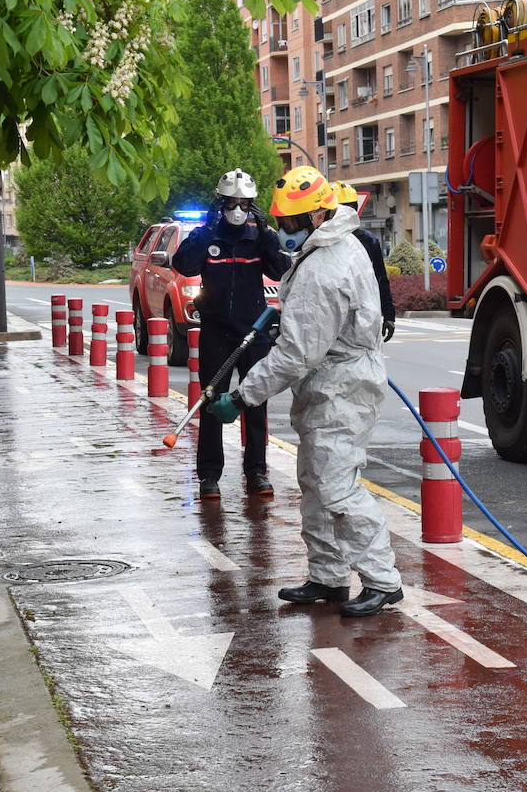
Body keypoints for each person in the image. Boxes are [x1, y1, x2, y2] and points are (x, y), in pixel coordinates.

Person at [205, 166, 403, 618]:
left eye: (290, 223)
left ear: (316, 216)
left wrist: (242, 397)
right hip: (331, 382)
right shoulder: (331, 249)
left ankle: (382, 580)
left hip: (341, 386)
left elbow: (295, 355)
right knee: (315, 484)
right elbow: (310, 333)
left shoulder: (326, 266)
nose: (283, 230)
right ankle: (328, 577)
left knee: (337, 488)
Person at [172, 168, 291, 501]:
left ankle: (256, 471)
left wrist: (267, 232)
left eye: (244, 204)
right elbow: (185, 265)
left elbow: (280, 269)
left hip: (253, 332)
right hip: (216, 331)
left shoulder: (259, 236)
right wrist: (205, 231)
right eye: (230, 203)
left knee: (254, 402)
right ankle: (209, 475)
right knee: (210, 402)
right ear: (219, 203)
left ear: (252, 205)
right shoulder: (207, 234)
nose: (236, 210)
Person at [331, 182, 396, 342]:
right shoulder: (323, 240)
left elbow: (380, 279)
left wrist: (389, 315)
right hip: (338, 317)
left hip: (358, 317)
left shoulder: (368, 241)